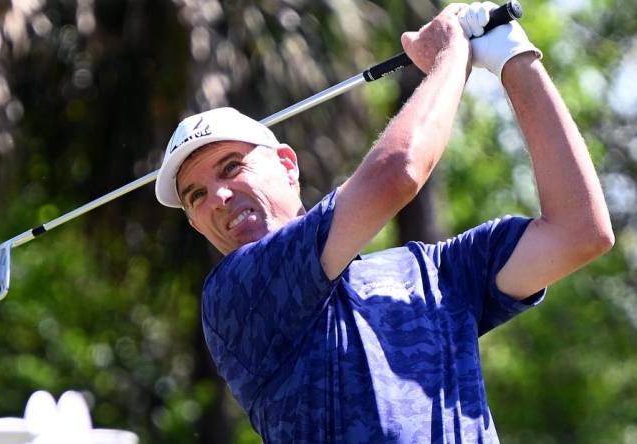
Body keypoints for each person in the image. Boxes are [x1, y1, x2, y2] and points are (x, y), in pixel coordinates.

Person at [154, 2, 613, 442]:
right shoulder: (235, 295)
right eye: (195, 196)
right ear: (196, 223)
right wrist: (452, 56)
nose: (217, 196)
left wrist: (516, 58)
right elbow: (399, 172)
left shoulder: (434, 272)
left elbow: (579, 232)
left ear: (288, 166)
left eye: (231, 167)